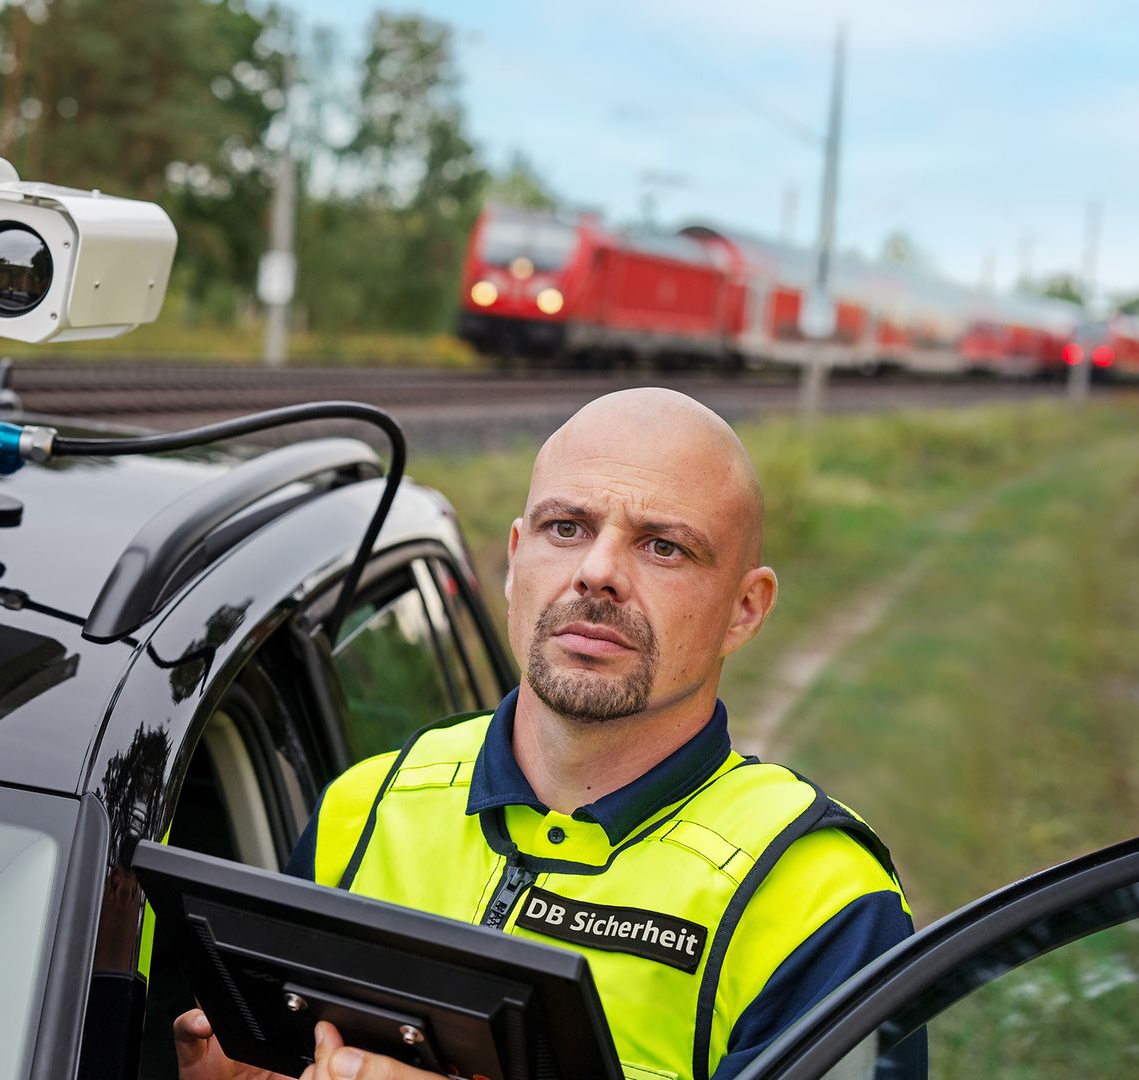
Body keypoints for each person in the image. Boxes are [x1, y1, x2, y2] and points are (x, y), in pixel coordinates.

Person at [177, 388, 918, 1080]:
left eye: (663, 546)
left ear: (745, 609)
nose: (598, 573)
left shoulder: (824, 903)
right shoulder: (364, 808)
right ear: (514, 558)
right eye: (567, 528)